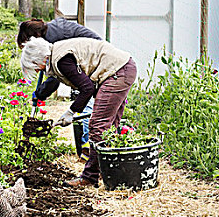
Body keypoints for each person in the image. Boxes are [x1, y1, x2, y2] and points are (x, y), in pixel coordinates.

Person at [21, 37, 137, 188]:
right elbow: (58, 82)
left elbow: (87, 88)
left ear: (40, 60)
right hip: (123, 67)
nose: (37, 71)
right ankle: (110, 172)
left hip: (117, 72)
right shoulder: (57, 55)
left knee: (97, 126)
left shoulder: (61, 60)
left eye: (35, 67)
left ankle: (90, 177)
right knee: (109, 127)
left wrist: (71, 112)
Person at [17, 18, 102, 161]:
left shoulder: (53, 42)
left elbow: (54, 78)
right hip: (87, 57)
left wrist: (40, 93)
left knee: (89, 102)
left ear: (34, 38)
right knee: (85, 97)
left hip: (94, 58)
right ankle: (88, 147)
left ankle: (89, 148)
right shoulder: (49, 33)